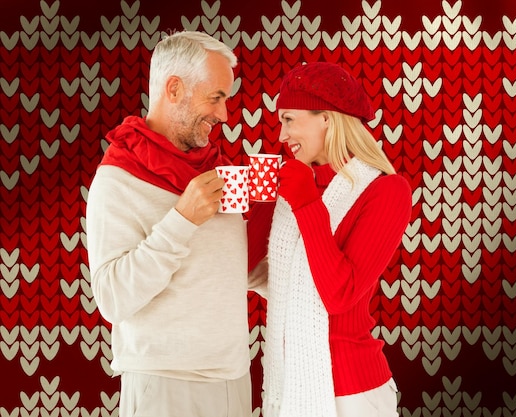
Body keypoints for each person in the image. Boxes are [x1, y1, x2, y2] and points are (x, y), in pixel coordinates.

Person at [86, 31, 259, 417]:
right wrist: (182, 220)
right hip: (162, 384)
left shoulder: (218, 174)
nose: (224, 115)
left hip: (232, 380)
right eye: (216, 98)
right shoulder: (117, 180)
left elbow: (234, 270)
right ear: (175, 89)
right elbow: (113, 298)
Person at [259, 62, 412, 417]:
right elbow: (264, 273)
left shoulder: (385, 191)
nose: (282, 136)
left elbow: (339, 293)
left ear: (326, 117)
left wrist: (306, 202)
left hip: (353, 395)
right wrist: (258, 205)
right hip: (288, 385)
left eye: (289, 119)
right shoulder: (300, 184)